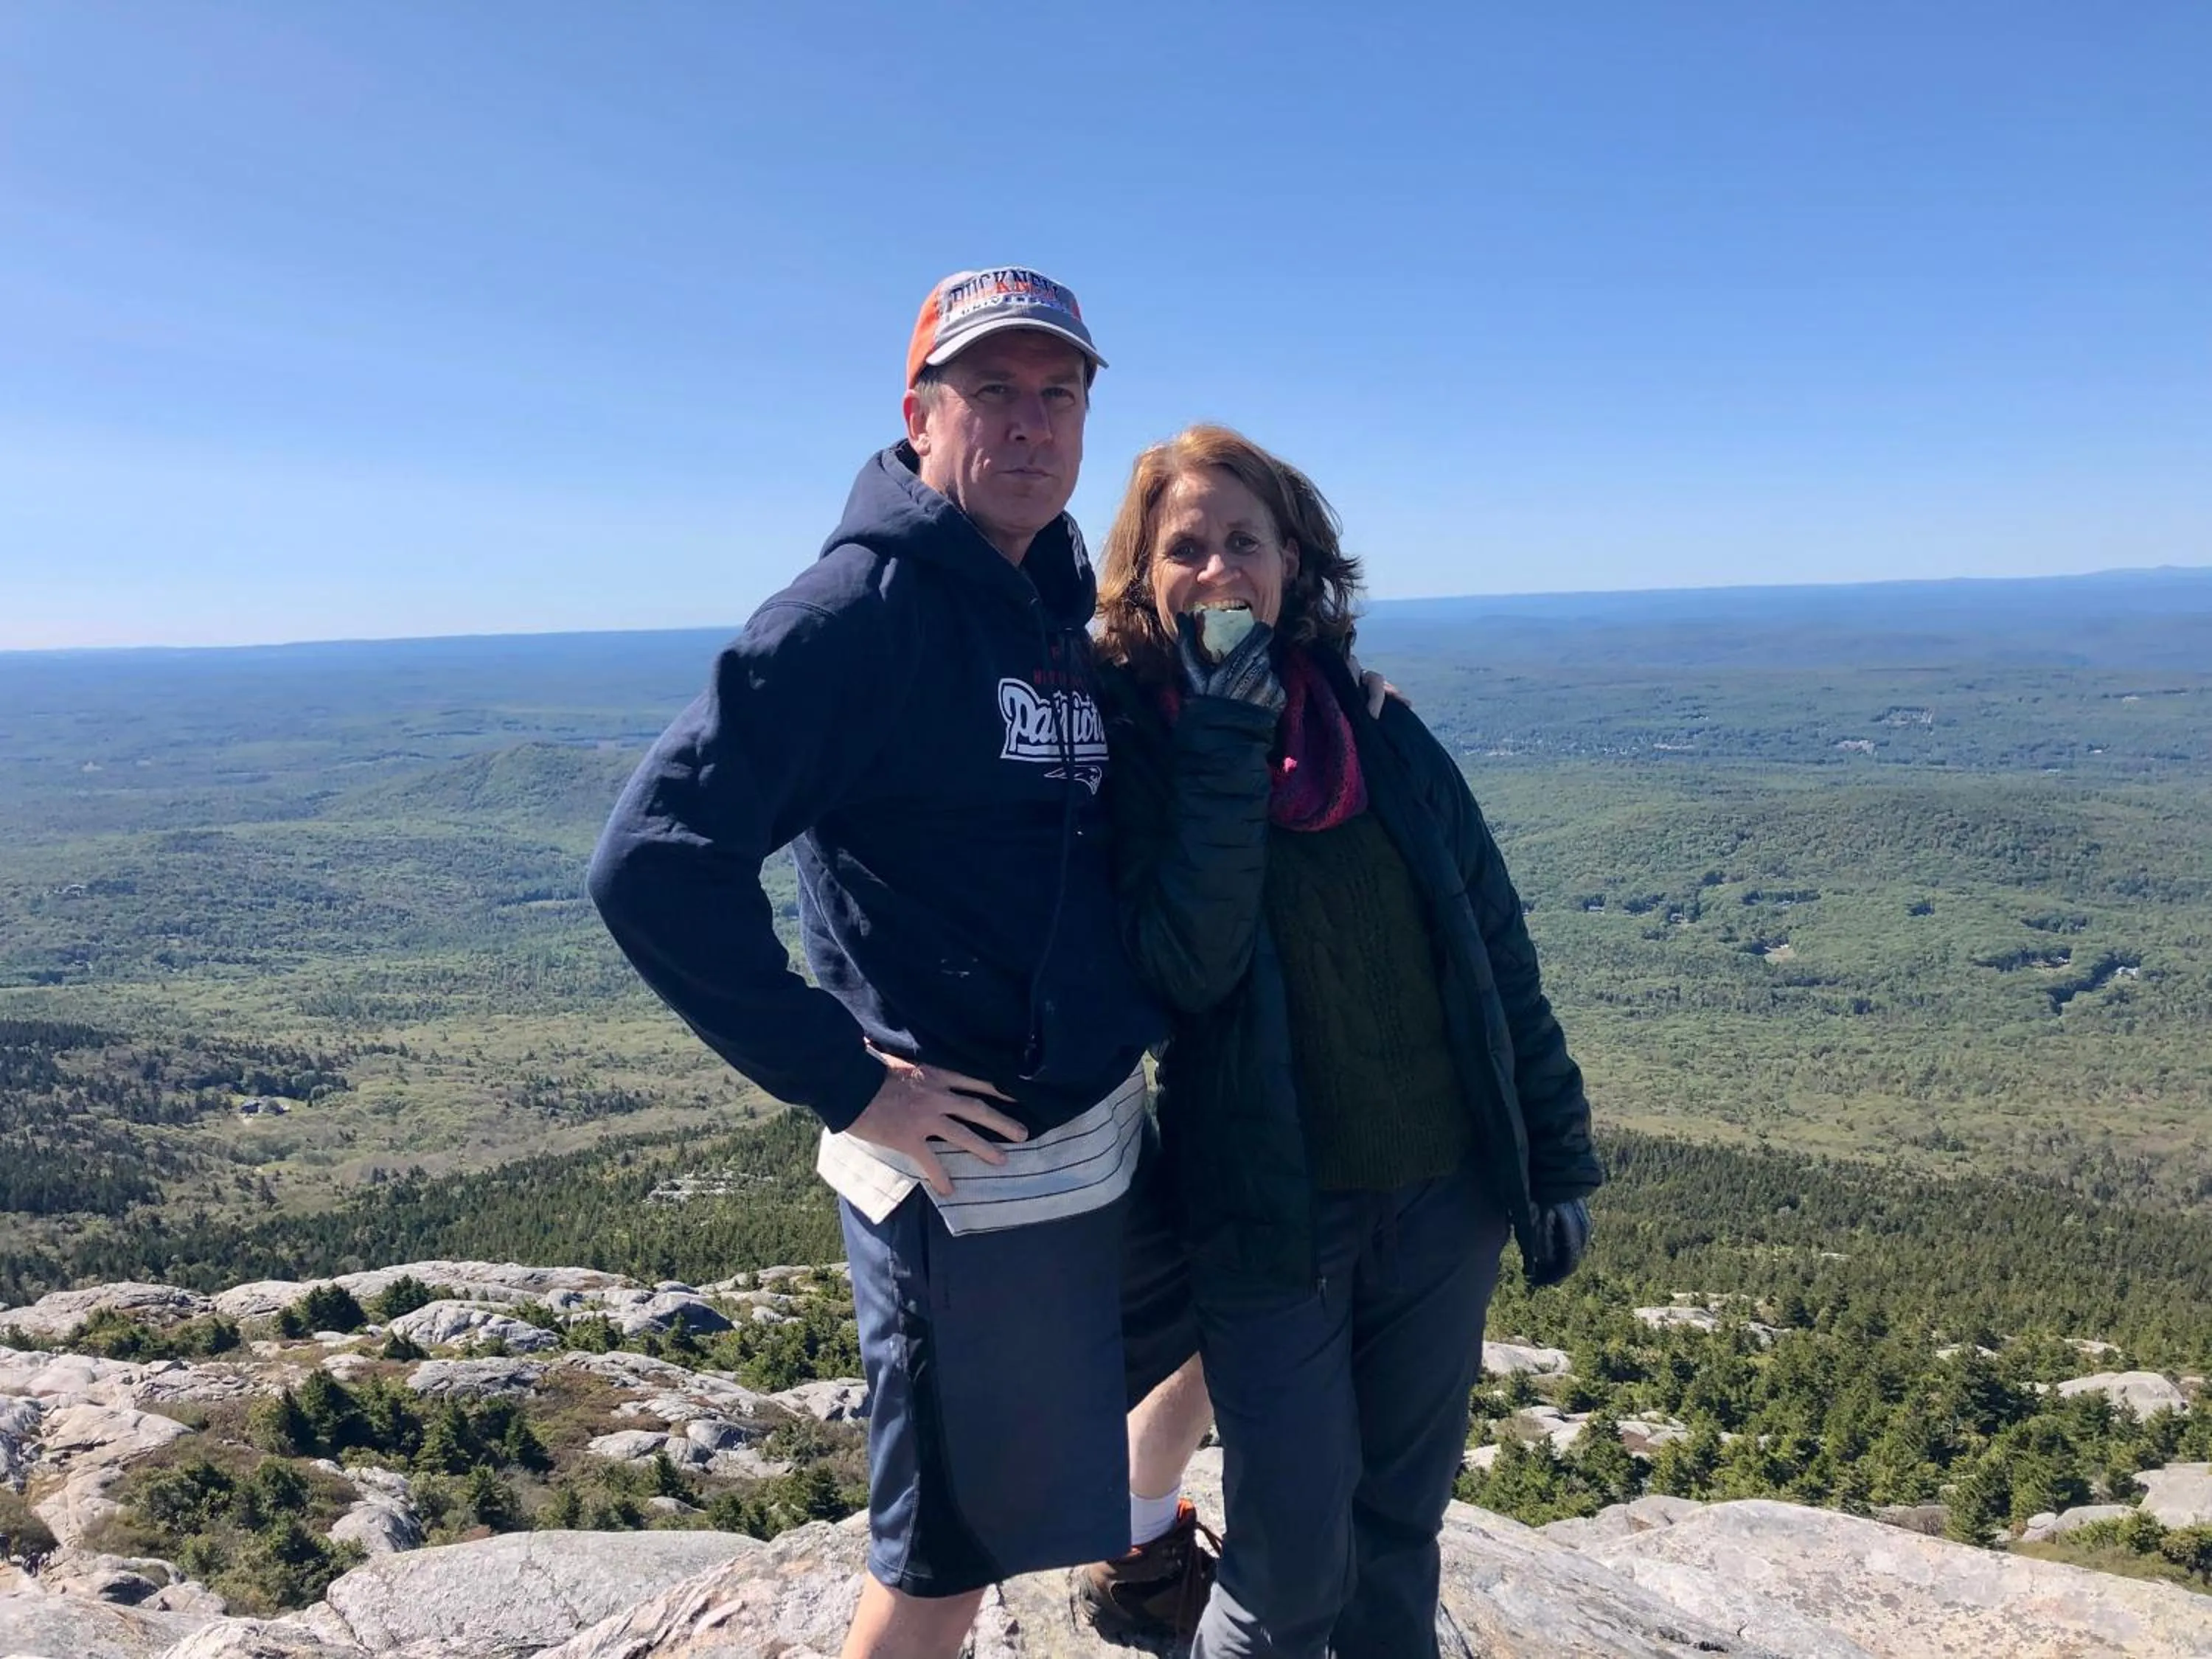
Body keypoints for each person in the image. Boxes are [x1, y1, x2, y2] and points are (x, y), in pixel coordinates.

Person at [587, 268, 1211, 1659]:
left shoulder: (1057, 600)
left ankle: (1137, 1532)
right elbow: (650, 864)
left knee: (1244, 1288)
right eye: (992, 391)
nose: (1032, 425)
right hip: (964, 1189)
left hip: (1100, 1141)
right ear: (921, 416)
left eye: (1060, 395)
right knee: (949, 1558)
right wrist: (845, 1083)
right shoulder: (850, 618)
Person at [1090, 424, 1604, 1657]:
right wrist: (1219, 736)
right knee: (1286, 1565)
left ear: (1293, 562)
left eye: (1245, 542)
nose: (1219, 570)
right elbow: (1188, 964)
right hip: (1274, 1218)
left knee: (1397, 1537)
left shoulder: (1379, 734)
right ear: (1144, 578)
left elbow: (1494, 954)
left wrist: (1556, 1151)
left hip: (1444, 1202)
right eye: (1186, 547)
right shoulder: (1137, 755)